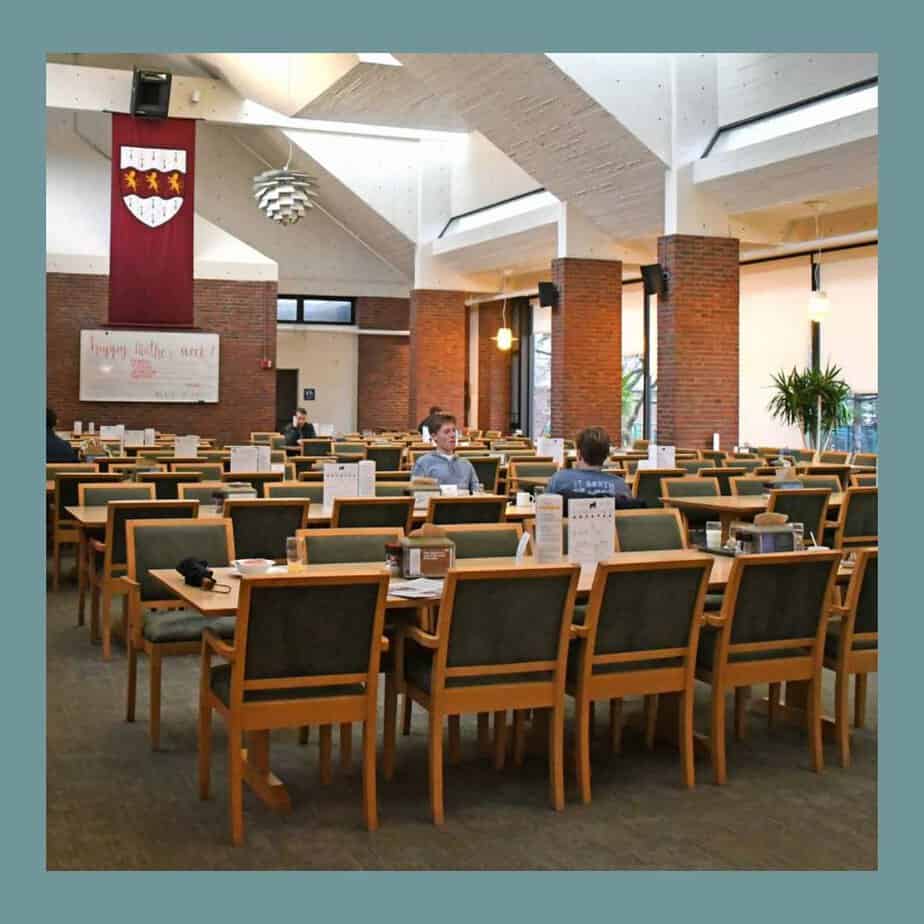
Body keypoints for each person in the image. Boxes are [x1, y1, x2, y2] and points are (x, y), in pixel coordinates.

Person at [546, 426, 630, 503]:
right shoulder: (621, 487)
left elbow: (544, 512)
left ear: (578, 454)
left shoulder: (558, 480)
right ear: (606, 456)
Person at [412, 412, 480, 492]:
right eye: (447, 432)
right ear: (434, 436)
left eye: (454, 430)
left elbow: (477, 492)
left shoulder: (466, 464)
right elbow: (418, 497)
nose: (453, 435)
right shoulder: (423, 463)